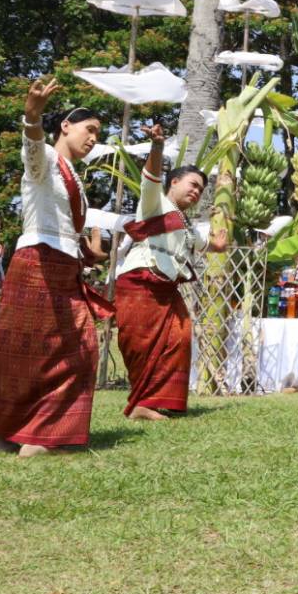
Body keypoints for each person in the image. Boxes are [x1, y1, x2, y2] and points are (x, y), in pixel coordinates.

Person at [0, 79, 111, 457]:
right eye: (90, 130)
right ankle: (28, 436)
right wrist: (32, 117)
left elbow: (63, 227)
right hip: (38, 264)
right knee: (65, 350)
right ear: (65, 126)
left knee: (33, 352)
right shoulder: (47, 161)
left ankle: (0, 434)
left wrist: (88, 255)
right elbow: (33, 149)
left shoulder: (73, 175)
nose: (93, 139)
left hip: (59, 265)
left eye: (98, 135)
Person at [112, 125, 229, 421]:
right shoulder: (156, 203)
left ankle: (158, 401)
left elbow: (213, 244)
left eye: (201, 189)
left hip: (168, 286)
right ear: (173, 182)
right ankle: (142, 404)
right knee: (139, 341)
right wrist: (157, 147)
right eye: (191, 184)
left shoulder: (187, 225)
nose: (196, 191)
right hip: (141, 279)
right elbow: (150, 177)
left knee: (180, 337)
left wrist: (223, 229)